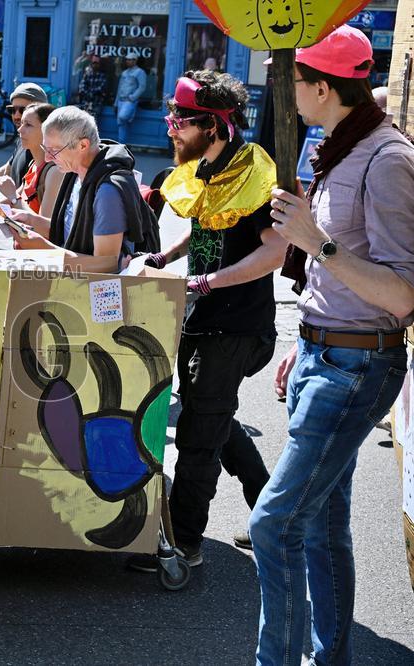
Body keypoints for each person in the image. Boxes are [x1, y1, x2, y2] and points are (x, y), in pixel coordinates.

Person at [251, 26, 414, 665]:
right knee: (318, 522)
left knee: (275, 523)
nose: (282, 90)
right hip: (328, 352)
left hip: (358, 363)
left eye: (290, 78)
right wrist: (305, 337)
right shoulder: (339, 146)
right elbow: (330, 278)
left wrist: (314, 239)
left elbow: (403, 295)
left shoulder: (388, 160)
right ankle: (331, 658)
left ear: (323, 87)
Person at [125, 70, 285, 576]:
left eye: (180, 120)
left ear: (213, 127)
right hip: (202, 313)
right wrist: (169, 255)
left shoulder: (255, 174)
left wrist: (209, 282)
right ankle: (271, 514)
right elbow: (209, 226)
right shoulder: (209, 165)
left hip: (236, 324)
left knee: (198, 435)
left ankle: (184, 543)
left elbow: (275, 254)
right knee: (208, 414)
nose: (170, 128)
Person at [12, 106, 153, 268]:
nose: (48, 158)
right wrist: (31, 220)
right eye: (45, 148)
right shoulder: (75, 172)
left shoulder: (107, 192)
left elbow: (106, 265)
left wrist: (43, 248)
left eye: (54, 150)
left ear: (83, 145)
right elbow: (69, 230)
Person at [0, 103, 64, 221]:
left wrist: (13, 197)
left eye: (28, 125)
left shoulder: (54, 171)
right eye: (22, 123)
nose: (20, 129)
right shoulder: (33, 165)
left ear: (48, 131)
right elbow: (14, 200)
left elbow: (44, 225)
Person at [115, 53, 146, 144]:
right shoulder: (124, 73)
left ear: (135, 60)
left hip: (129, 101)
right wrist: (116, 103)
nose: (127, 61)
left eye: (130, 59)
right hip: (121, 100)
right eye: (127, 59)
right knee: (121, 123)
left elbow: (142, 87)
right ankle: (122, 144)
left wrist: (132, 97)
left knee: (122, 117)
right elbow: (119, 88)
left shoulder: (140, 72)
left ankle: (130, 116)